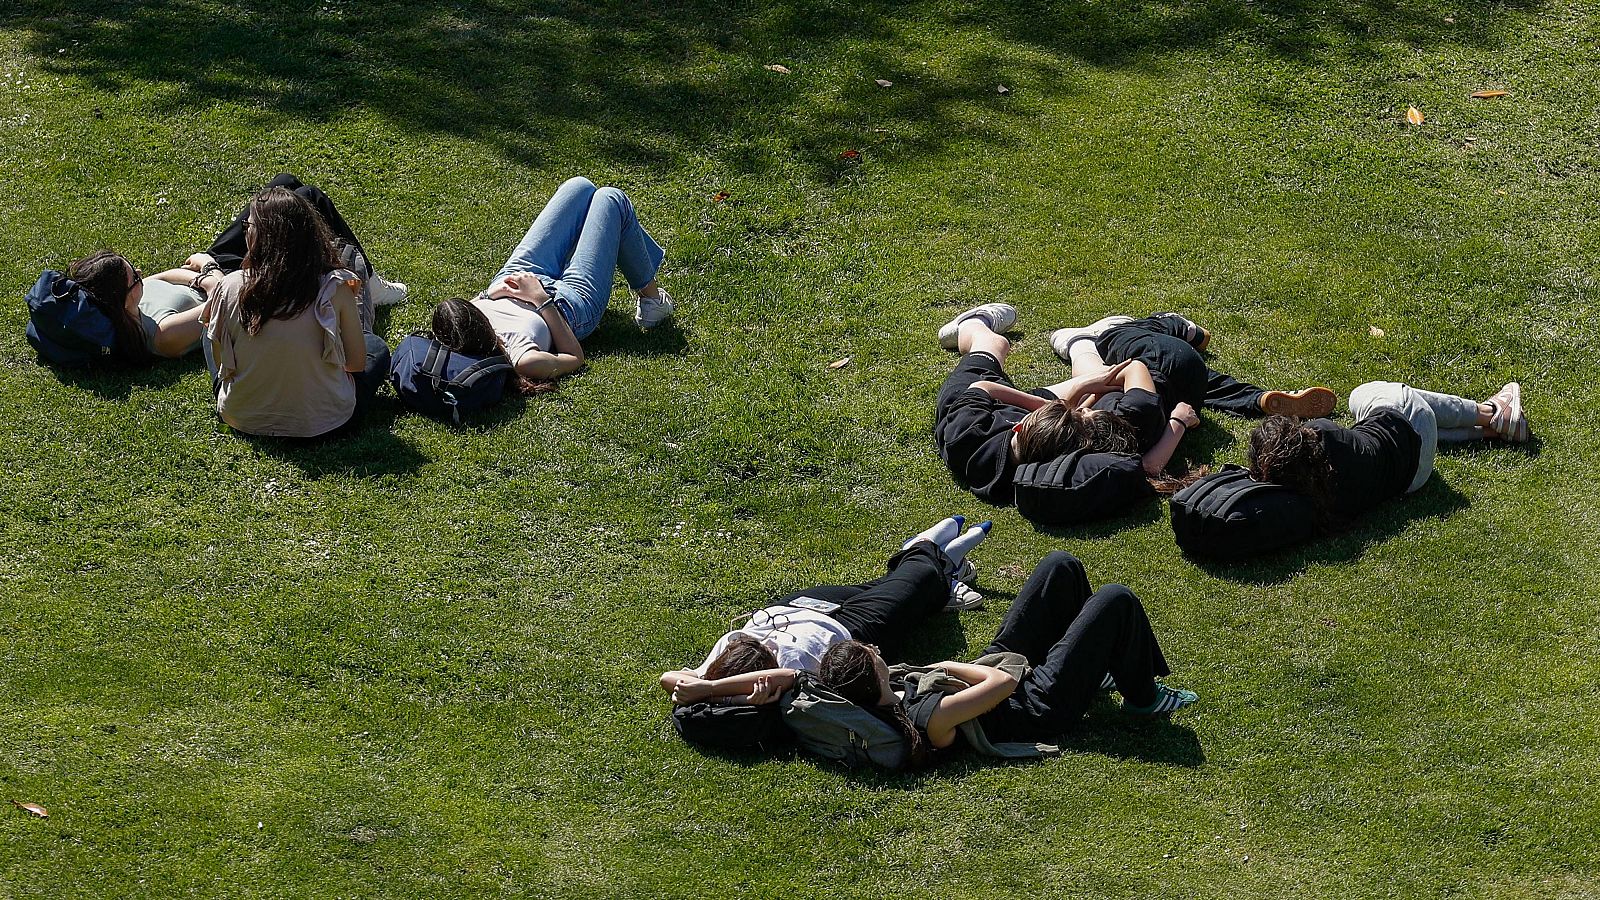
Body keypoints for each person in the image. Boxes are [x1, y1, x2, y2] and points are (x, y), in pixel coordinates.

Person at [702, 551, 1198, 769]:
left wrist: (705, 686)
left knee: (1059, 569)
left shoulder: (869, 692)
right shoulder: (925, 721)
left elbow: (787, 675)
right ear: (872, 679)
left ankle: (1095, 667)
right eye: (875, 658)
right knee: (1113, 599)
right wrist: (952, 667)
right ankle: (1142, 698)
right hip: (1031, 705)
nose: (881, 654)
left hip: (995, 675)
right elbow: (1000, 685)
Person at [934, 304, 1336, 505]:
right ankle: (1080, 342)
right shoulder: (1048, 455)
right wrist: (1084, 391)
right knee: (1005, 347)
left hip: (976, 400)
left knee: (994, 346)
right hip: (1015, 414)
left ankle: (972, 325)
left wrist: (1080, 390)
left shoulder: (968, 427)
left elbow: (987, 387)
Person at [54, 175, 404, 368]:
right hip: (233, 279)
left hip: (212, 273)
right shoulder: (162, 335)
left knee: (285, 185)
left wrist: (197, 273)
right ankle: (369, 282)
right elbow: (223, 304)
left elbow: (165, 275)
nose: (142, 272)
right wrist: (207, 274)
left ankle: (369, 278)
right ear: (123, 293)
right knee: (309, 198)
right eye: (135, 276)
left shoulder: (129, 309)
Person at [660, 516, 991, 704]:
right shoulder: (775, 683)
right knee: (914, 582)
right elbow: (787, 675)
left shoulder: (714, 670)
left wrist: (707, 686)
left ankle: (935, 570)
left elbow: (669, 678)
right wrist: (741, 698)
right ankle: (936, 563)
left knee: (890, 586)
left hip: (796, 608)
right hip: (850, 631)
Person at [199, 186, 391, 438]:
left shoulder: (229, 286)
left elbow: (224, 364)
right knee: (375, 346)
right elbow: (355, 364)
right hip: (326, 424)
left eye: (248, 227)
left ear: (257, 238)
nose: (245, 233)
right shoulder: (336, 287)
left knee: (209, 330)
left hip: (243, 418)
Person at [471, 176, 675, 382]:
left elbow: (464, 307)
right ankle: (652, 303)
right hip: (566, 306)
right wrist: (541, 299)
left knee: (579, 187)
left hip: (512, 281)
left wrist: (490, 294)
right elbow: (574, 357)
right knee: (611, 199)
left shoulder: (450, 338)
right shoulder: (523, 360)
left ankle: (607, 242)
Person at [1247, 380, 1529, 523]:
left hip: (1413, 480)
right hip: (1416, 428)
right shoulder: (1326, 433)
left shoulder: (1308, 501)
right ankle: (1490, 412)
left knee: (1395, 420)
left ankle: (1490, 431)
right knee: (1365, 395)